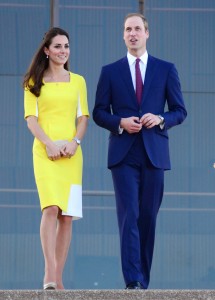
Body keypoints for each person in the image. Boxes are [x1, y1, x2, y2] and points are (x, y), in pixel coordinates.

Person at [93, 13, 187, 289]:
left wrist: (160, 119)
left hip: (155, 152)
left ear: (147, 33)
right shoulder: (110, 71)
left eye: (137, 29)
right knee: (128, 216)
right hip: (124, 154)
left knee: (147, 216)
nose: (132, 33)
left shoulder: (166, 69)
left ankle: (142, 280)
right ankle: (133, 281)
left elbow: (180, 111)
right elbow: (99, 112)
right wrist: (119, 122)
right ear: (123, 36)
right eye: (127, 29)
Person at [23, 27, 89, 290]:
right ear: (47, 51)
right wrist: (49, 144)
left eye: (67, 46)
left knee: (67, 216)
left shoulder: (79, 81)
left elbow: (83, 118)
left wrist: (75, 143)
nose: (64, 51)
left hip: (72, 156)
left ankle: (58, 278)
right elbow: (31, 120)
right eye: (58, 46)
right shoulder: (33, 82)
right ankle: (49, 271)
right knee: (50, 208)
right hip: (45, 153)